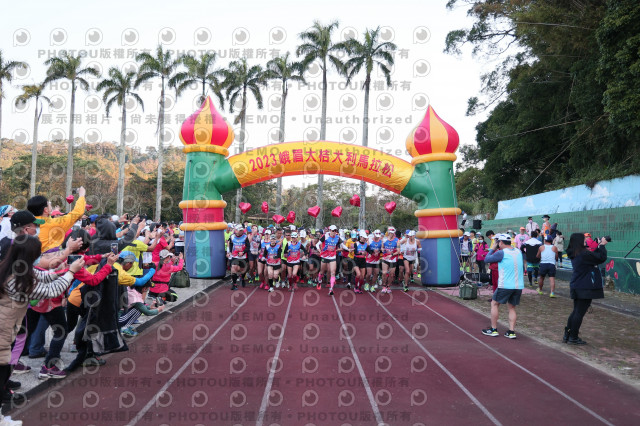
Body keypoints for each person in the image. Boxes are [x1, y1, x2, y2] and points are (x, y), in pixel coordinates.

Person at [0, 235, 82, 419]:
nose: (39, 258)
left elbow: (43, 276)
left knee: (4, 365)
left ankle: (3, 398)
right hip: (3, 328)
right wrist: (71, 272)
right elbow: (51, 290)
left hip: (7, 326)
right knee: (2, 367)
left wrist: (63, 271)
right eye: (37, 255)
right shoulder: (18, 279)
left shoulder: (12, 268)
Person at [563, 234, 608, 345]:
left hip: (577, 285)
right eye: (584, 239)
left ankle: (568, 334)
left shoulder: (576, 253)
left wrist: (598, 246)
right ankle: (573, 337)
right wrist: (602, 245)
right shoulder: (583, 254)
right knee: (579, 312)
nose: (586, 241)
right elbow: (601, 258)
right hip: (584, 286)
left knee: (576, 311)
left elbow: (593, 256)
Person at [481, 233, 524, 339]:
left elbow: (487, 259)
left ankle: (494, 329)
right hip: (518, 285)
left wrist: (492, 248)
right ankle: (511, 331)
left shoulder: (501, 252)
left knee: (494, 304)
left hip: (505, 285)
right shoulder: (518, 251)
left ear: (500, 242)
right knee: (512, 308)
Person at [27, 187, 87, 252]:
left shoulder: (28, 223)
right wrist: (81, 195)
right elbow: (77, 213)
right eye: (49, 204)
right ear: (45, 210)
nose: (51, 205)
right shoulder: (53, 223)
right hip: (50, 256)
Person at [317, 225, 342, 295]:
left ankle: (331, 289)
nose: (334, 232)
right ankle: (319, 281)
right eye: (333, 230)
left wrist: (348, 249)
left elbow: (342, 245)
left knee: (333, 272)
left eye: (335, 231)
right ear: (330, 230)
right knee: (322, 271)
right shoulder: (325, 236)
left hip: (332, 257)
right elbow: (317, 244)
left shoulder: (337, 237)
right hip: (324, 256)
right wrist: (319, 250)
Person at [227, 225, 248, 290]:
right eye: (240, 230)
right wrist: (230, 252)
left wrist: (243, 252)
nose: (241, 231)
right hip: (235, 255)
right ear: (236, 230)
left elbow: (248, 247)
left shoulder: (245, 237)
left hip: (243, 256)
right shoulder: (232, 236)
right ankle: (234, 284)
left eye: (242, 230)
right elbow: (230, 244)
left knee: (242, 270)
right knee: (233, 268)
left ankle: (242, 278)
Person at [380, 227, 400, 294]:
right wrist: (382, 249)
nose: (390, 234)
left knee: (391, 274)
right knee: (384, 272)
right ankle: (384, 286)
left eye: (392, 233)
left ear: (394, 233)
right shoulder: (384, 239)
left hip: (393, 259)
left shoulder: (397, 240)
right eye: (390, 233)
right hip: (385, 258)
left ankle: (388, 286)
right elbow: (382, 247)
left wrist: (391, 254)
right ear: (388, 232)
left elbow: (398, 251)